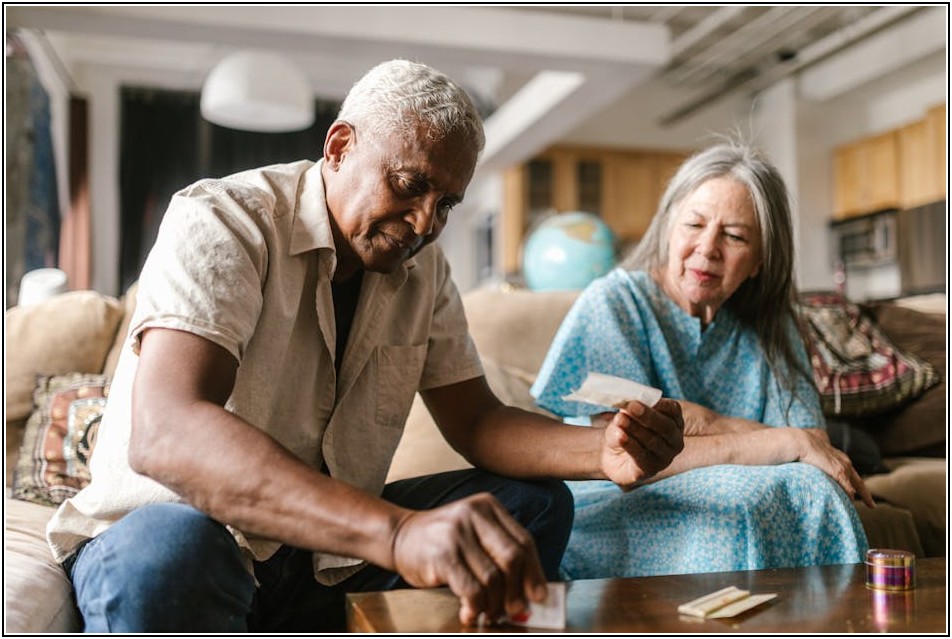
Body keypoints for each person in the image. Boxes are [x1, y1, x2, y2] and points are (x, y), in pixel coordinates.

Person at [45, 59, 685, 633]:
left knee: (529, 509)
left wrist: (603, 450)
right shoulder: (225, 219)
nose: (425, 224)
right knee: (173, 551)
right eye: (410, 185)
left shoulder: (424, 273)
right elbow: (168, 432)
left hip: (318, 563)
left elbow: (480, 422)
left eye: (446, 205)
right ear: (340, 146)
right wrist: (398, 532)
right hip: (179, 539)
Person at [531, 139, 874, 580]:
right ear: (669, 227)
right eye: (694, 224)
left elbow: (811, 443)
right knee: (738, 500)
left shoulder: (772, 324)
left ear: (759, 260)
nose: (707, 248)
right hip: (620, 502)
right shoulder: (614, 303)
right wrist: (774, 441)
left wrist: (714, 425)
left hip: (738, 492)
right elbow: (623, 455)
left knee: (817, 488)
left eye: (734, 236)